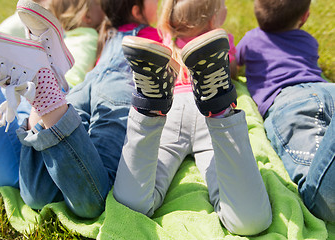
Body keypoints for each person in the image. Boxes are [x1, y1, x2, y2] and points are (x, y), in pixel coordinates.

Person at [0, 0, 162, 218]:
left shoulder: (106, 33)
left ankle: (41, 80)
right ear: (136, 9)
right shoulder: (151, 34)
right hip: (120, 85)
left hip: (82, 88)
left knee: (37, 197)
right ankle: (41, 81)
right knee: (94, 202)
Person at [113, 0, 272, 235]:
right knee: (250, 222)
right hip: (206, 110)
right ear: (212, 20)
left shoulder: (165, 42)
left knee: (133, 204)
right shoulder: (222, 42)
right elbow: (235, 70)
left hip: (170, 107)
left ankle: (148, 109)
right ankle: (221, 109)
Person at [236, 0, 335, 221]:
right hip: (327, 90)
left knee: (320, 193)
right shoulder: (309, 40)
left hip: (291, 102)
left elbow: (234, 68)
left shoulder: (251, 39)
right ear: (305, 17)